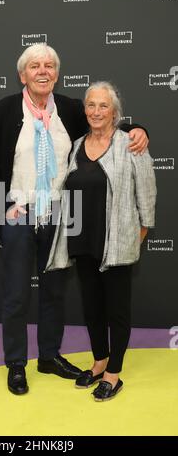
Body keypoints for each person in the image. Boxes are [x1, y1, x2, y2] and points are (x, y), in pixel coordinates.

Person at [0, 45, 149, 396]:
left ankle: (49, 357)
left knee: (54, 291)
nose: (43, 71)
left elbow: (106, 122)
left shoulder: (70, 108)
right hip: (18, 213)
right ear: (22, 75)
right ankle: (16, 364)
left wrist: (140, 130)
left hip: (61, 215)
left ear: (56, 73)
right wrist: (5, 201)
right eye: (35, 66)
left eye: (50, 66)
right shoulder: (2, 111)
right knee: (16, 294)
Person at [46, 81, 156, 401]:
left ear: (114, 112)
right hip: (82, 238)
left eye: (103, 106)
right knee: (92, 306)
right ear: (85, 109)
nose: (96, 111)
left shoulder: (130, 143)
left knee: (116, 308)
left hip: (118, 240)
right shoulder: (77, 144)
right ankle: (99, 361)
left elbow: (145, 190)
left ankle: (114, 373)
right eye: (90, 105)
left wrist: (142, 230)